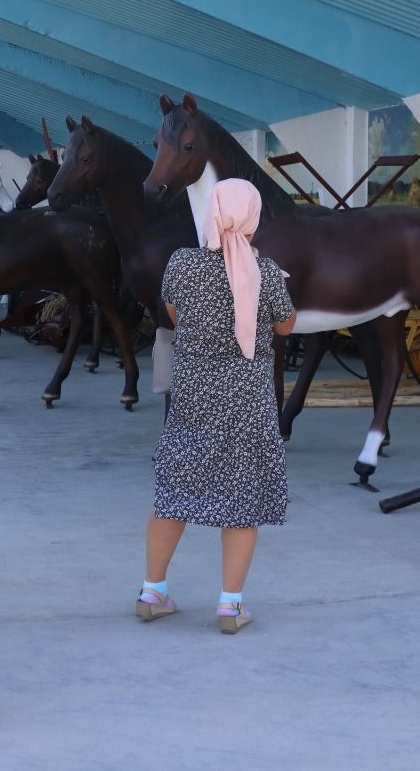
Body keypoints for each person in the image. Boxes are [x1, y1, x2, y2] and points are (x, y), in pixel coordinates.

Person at [138, 178, 296, 634]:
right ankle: (229, 607)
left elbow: (174, 315)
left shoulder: (181, 264)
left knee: (174, 491)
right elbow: (286, 326)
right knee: (242, 497)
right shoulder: (265, 271)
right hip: (247, 400)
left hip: (193, 395)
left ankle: (152, 591)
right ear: (251, 216)